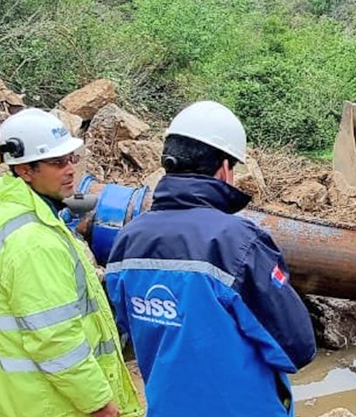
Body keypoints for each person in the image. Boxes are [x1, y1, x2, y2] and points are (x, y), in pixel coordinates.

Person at [105, 100, 317, 417]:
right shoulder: (238, 242)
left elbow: (129, 331)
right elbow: (297, 347)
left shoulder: (127, 241)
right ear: (225, 168)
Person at [0, 108, 142, 417]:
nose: (69, 170)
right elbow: (55, 340)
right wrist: (99, 405)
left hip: (9, 400)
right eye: (57, 162)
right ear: (25, 170)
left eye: (71, 159)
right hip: (47, 406)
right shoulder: (33, 242)